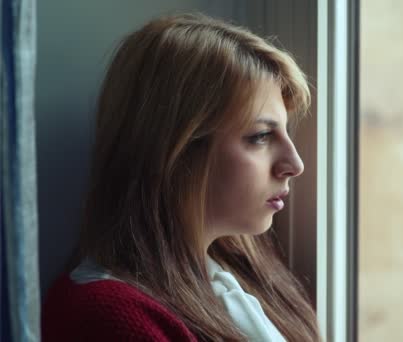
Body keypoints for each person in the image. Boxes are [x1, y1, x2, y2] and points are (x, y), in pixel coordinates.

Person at [42, 12, 321, 341]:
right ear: (176, 150)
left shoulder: (239, 281)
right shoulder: (110, 318)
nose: (295, 163)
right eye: (259, 137)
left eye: (285, 133)